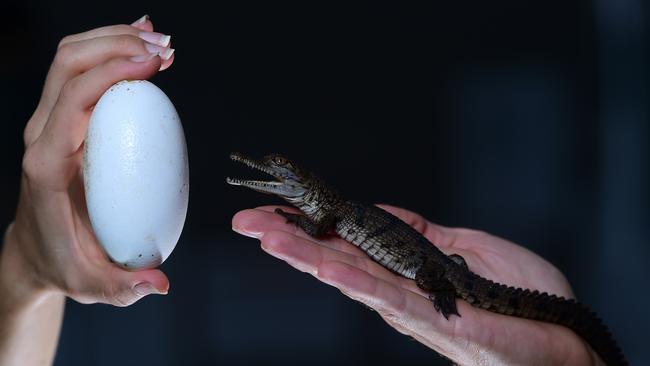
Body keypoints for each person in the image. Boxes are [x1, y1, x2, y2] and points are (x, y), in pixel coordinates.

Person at [0, 17, 604, 366]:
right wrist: (28, 266)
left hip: (435, 270)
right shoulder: (329, 207)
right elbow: (322, 221)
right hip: (426, 258)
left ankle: (453, 291)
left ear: (303, 186)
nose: (268, 176)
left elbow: (322, 225)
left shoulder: (329, 211)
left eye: (282, 174)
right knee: (436, 273)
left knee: (439, 283)